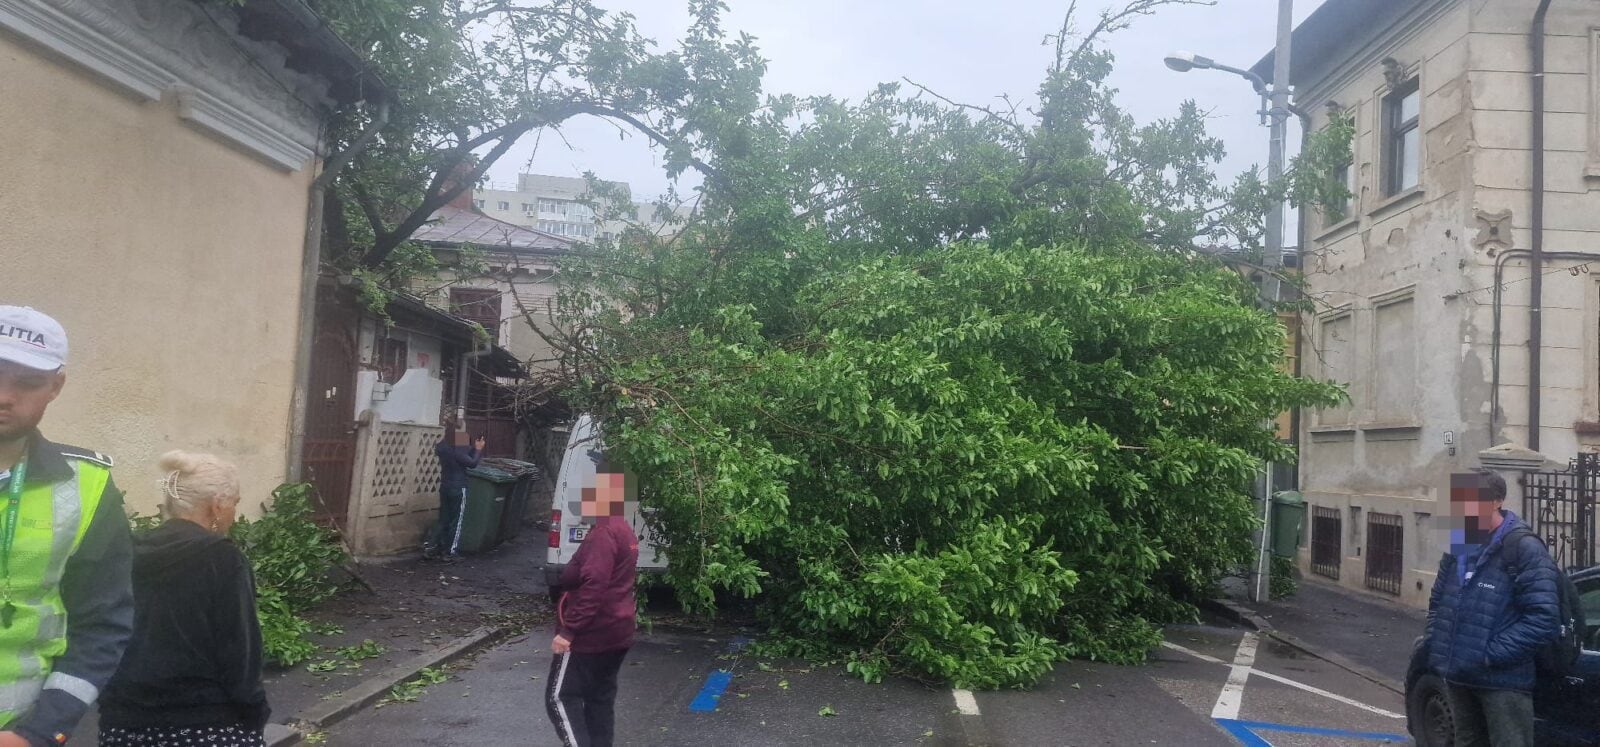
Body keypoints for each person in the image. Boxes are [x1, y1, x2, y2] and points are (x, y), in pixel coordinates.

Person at [0, 305, 134, 747]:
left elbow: (101, 623)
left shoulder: (87, 485)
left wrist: (38, 733)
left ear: (55, 387)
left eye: (27, 381)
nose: (4, 395)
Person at [99, 451, 268, 747]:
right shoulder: (222, 557)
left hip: (123, 722)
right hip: (203, 722)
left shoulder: (128, 551)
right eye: (235, 503)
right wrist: (254, 711)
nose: (234, 513)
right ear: (217, 506)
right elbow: (240, 649)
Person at [1424, 471, 1560, 747]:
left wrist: (1488, 655)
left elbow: (1543, 617)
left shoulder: (1524, 547)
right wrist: (1437, 639)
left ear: (1497, 501)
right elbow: (1438, 599)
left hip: (1502, 679)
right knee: (1467, 741)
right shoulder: (1459, 542)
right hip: (1459, 672)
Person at [546, 463, 638, 747]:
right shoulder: (623, 529)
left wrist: (568, 632)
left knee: (560, 697)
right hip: (618, 631)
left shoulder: (604, 534)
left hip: (592, 633)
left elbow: (594, 586)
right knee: (599, 698)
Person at [426, 420, 485, 562]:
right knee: (456, 521)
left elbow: (463, 451)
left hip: (445, 486)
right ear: (458, 432)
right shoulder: (456, 448)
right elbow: (472, 463)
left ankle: (430, 548)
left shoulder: (443, 445)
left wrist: (469, 445)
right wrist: (478, 449)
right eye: (463, 430)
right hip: (458, 487)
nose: (465, 433)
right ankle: (449, 552)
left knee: (443, 519)